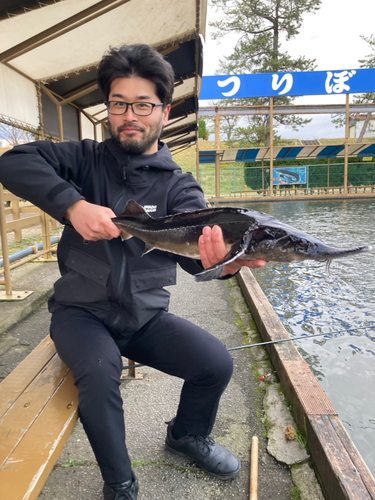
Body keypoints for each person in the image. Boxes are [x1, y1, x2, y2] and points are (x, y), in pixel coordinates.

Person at [0, 44, 266, 500]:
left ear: (164, 110)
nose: (130, 115)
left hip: (145, 318)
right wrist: (73, 205)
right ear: (109, 108)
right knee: (101, 374)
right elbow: (11, 162)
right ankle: (120, 483)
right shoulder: (83, 158)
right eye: (119, 103)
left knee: (215, 364)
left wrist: (221, 263)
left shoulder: (180, 187)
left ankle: (186, 434)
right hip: (80, 315)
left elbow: (192, 257)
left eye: (143, 104)